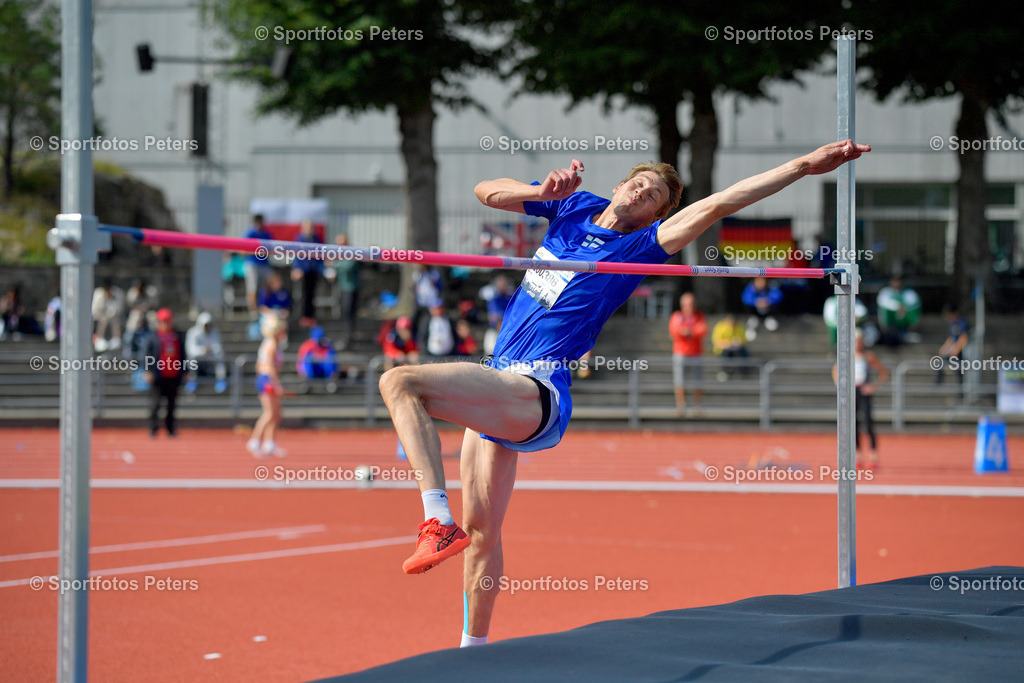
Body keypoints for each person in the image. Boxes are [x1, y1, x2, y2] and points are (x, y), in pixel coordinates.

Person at [376, 140, 869, 648]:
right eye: (637, 182)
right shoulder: (572, 205)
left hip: (535, 389)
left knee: (399, 381)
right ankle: (471, 653)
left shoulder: (641, 246)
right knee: (483, 535)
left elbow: (720, 203)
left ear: (655, 214)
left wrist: (804, 166)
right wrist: (537, 190)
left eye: (653, 194)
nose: (641, 190)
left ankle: (436, 519)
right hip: (500, 379)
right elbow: (485, 192)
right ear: (617, 187)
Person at [833, 330, 889, 470]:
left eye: (860, 340)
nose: (858, 343)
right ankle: (857, 456)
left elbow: (884, 372)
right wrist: (841, 387)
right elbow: (835, 370)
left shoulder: (868, 356)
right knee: (854, 424)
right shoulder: (847, 356)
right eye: (855, 340)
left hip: (864, 392)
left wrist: (874, 386)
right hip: (852, 392)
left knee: (868, 423)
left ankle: (873, 456)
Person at [247, 314, 287, 458]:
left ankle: (269, 443)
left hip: (266, 378)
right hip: (267, 379)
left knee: (276, 414)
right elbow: (268, 366)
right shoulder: (271, 344)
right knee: (269, 413)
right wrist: (276, 383)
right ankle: (254, 441)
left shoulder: (270, 343)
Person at [144, 308, 187, 437]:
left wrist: (185, 370)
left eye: (168, 321)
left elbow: (183, 354)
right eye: (163, 321)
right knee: (155, 404)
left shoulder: (177, 335)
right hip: (159, 375)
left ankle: (170, 428)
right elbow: (147, 354)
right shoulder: (154, 336)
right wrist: (148, 370)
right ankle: (153, 428)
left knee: (171, 405)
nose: (166, 324)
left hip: (173, 375)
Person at [669, 292, 707, 412]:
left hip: (696, 353)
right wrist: (692, 332)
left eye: (691, 304)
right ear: (682, 305)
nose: (689, 307)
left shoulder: (699, 316)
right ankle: (681, 406)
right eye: (687, 304)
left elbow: (703, 330)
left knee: (698, 381)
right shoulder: (677, 316)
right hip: (680, 352)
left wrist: (688, 332)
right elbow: (675, 332)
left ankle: (697, 406)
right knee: (679, 381)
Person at [327, 234, 361, 348]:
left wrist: (334, 265)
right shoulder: (340, 255)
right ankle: (348, 337)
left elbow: (348, 267)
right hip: (343, 288)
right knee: (345, 314)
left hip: (350, 289)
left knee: (349, 314)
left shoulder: (351, 253)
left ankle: (349, 339)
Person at [291, 219, 324, 327]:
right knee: (303, 294)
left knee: (312, 294)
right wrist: (296, 268)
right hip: (303, 270)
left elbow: (320, 255)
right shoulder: (300, 239)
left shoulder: (316, 239)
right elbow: (296, 255)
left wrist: (322, 268)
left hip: (313, 270)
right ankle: (304, 316)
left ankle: (311, 317)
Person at [185, 312, 227, 393]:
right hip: (198, 358)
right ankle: (192, 380)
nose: (207, 327)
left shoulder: (214, 333)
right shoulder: (192, 333)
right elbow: (190, 349)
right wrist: (203, 350)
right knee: (191, 360)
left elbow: (218, 348)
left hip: (210, 357)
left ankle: (221, 380)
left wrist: (210, 350)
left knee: (220, 359)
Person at [876, 277, 921, 346]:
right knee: (884, 310)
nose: (896, 284)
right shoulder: (885, 292)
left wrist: (903, 309)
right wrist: (898, 307)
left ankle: (909, 332)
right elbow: (883, 302)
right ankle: (887, 332)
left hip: (903, 318)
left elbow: (914, 303)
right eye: (894, 281)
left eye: (898, 281)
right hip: (891, 319)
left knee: (913, 312)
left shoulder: (908, 292)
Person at [936, 306, 969, 399]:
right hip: (954, 352)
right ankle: (938, 383)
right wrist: (945, 348)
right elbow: (952, 338)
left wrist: (955, 350)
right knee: (940, 362)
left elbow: (963, 337)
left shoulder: (962, 322)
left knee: (960, 374)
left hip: (961, 353)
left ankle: (961, 395)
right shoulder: (953, 324)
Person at [244, 214, 274, 315]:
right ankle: (253, 311)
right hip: (253, 264)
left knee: (269, 286)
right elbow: (242, 249)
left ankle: (265, 307)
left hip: (265, 264)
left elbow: (273, 248)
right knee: (252, 288)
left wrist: (264, 252)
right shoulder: (250, 233)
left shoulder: (266, 234)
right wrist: (256, 252)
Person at [296, 326, 339, 392]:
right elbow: (300, 363)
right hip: (311, 371)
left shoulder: (327, 345)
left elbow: (332, 360)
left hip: (323, 369)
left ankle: (331, 383)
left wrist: (319, 358)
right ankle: (305, 384)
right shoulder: (307, 346)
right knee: (308, 360)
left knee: (330, 360)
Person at [711, 314, 749, 380]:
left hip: (737, 350)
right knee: (725, 354)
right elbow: (716, 342)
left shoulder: (740, 327)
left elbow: (743, 341)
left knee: (739, 354)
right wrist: (727, 343)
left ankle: (739, 372)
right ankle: (724, 372)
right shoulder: (720, 327)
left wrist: (738, 342)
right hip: (722, 350)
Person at [91, 279, 125, 351]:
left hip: (114, 318)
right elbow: (95, 310)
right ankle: (100, 339)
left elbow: (119, 309)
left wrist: (110, 313)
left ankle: (116, 339)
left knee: (115, 320)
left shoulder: (117, 294)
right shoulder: (98, 293)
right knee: (104, 320)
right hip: (100, 318)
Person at [124, 278, 159, 344]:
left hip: (148, 313)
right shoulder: (133, 293)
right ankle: (128, 340)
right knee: (135, 317)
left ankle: (154, 337)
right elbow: (130, 306)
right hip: (137, 314)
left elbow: (153, 306)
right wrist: (140, 308)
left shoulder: (151, 292)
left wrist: (145, 308)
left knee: (152, 317)